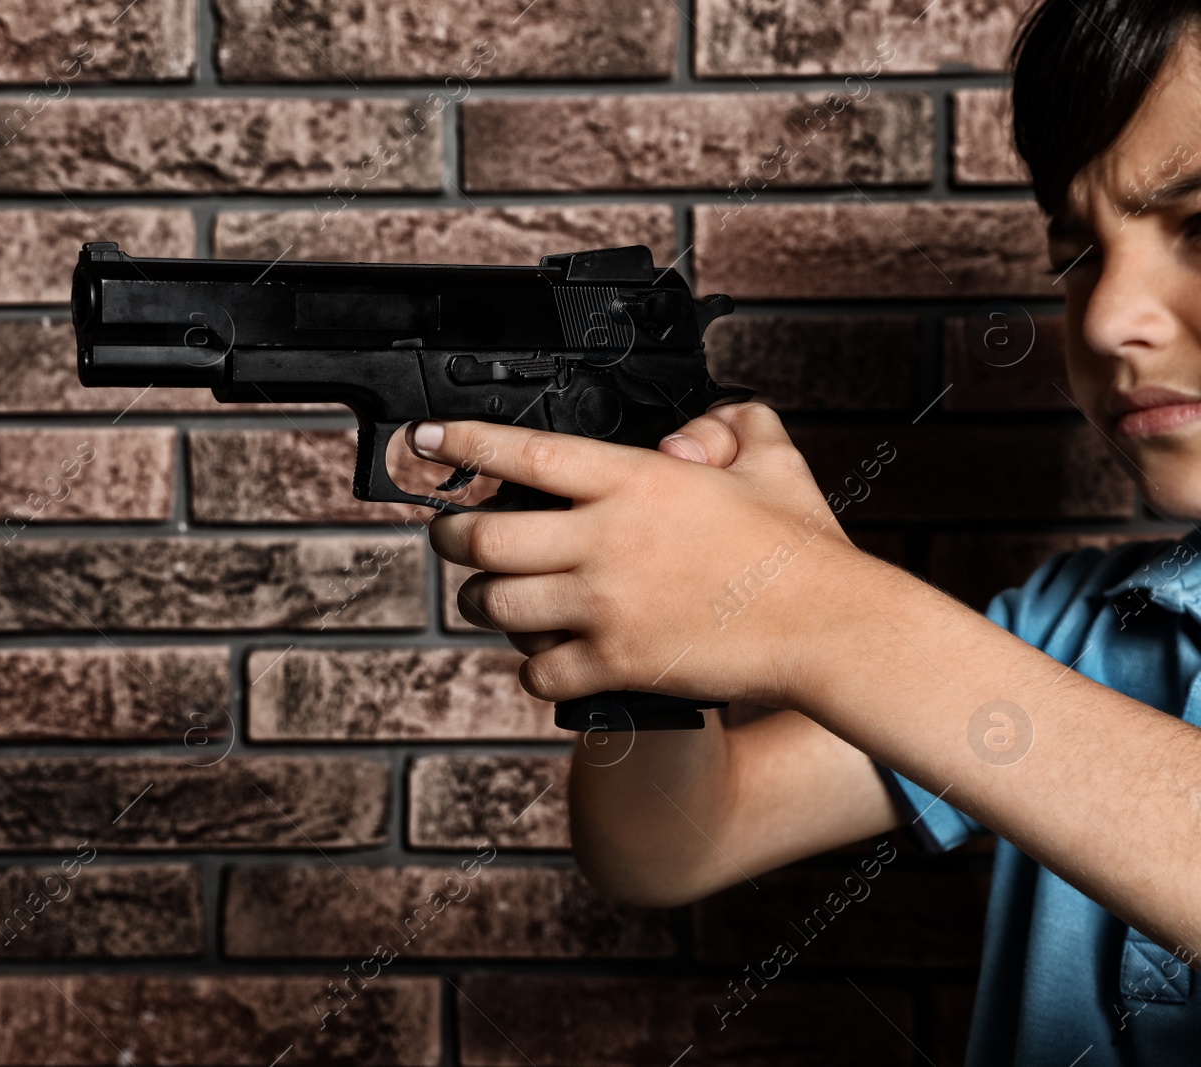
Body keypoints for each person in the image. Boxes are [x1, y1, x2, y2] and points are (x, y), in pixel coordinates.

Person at [403, 0, 1201, 1061]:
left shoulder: (967, 653)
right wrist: (651, 622)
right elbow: (668, 845)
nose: (1104, 319)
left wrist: (813, 606)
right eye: (1074, 260)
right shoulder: (1074, 627)